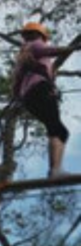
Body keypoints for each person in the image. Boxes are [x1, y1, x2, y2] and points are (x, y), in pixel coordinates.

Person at [11, 21, 80, 178]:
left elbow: (15, 85)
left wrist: (18, 100)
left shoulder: (22, 56)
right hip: (41, 90)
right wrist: (73, 49)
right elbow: (50, 50)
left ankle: (55, 169)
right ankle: (55, 170)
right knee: (56, 128)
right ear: (39, 35)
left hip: (28, 98)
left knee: (60, 131)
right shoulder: (35, 45)